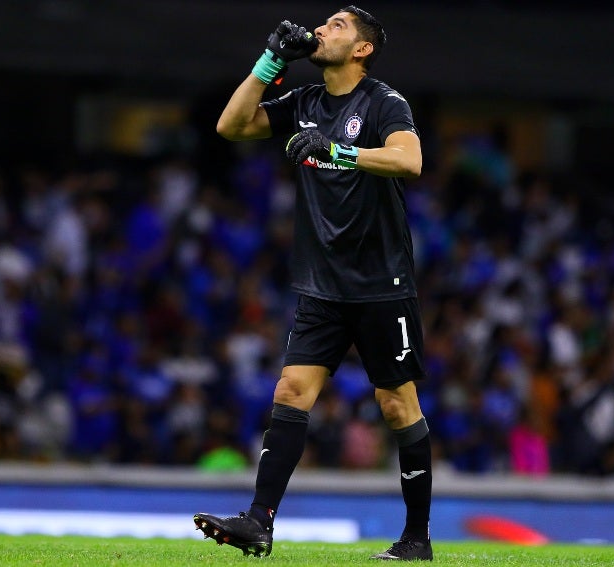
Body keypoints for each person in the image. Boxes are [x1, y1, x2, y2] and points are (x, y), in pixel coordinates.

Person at [193, 6, 432, 561]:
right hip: (322, 285)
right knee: (290, 393)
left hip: (381, 282)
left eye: (337, 26)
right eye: (322, 24)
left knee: (398, 406)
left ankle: (416, 538)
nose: (322, 30)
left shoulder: (383, 102)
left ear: (362, 49)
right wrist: (270, 60)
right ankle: (258, 521)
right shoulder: (304, 102)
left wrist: (336, 151)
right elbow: (231, 126)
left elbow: (410, 160)